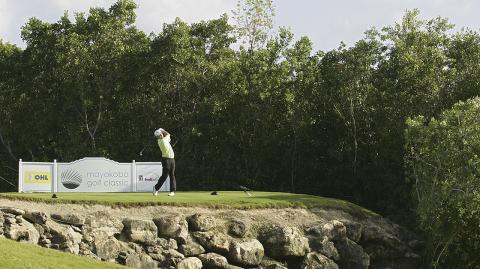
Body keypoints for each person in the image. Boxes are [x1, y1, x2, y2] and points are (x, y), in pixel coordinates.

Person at [153, 128, 176, 196]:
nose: (161, 136)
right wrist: (162, 129)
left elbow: (166, 135)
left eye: (161, 134)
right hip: (166, 159)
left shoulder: (163, 139)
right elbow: (168, 134)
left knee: (172, 175)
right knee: (165, 176)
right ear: (158, 137)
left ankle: (172, 191)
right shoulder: (162, 141)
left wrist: (161, 131)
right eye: (159, 135)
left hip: (172, 159)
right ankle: (156, 188)